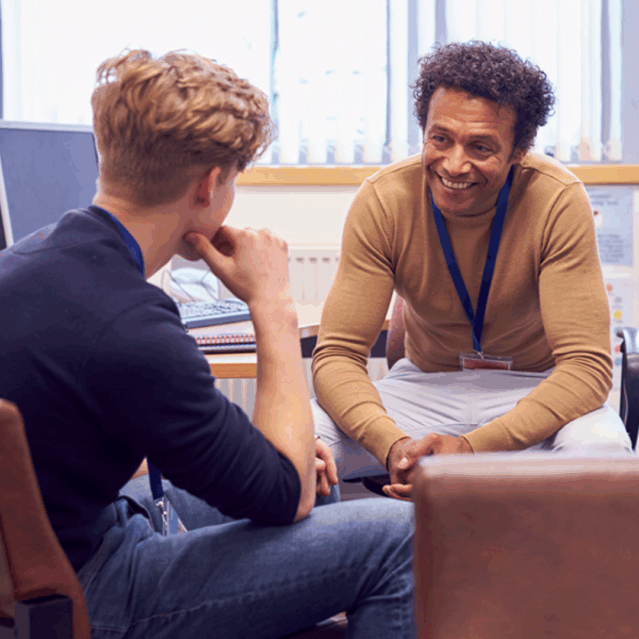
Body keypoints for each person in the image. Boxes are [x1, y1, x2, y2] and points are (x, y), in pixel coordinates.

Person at [0, 50, 415, 638]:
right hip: (88, 588)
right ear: (210, 184)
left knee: (319, 486)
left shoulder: (31, 257)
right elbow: (283, 495)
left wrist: (285, 469)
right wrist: (271, 300)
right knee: (401, 536)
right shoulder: (132, 327)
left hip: (62, 541)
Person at [311, 40, 633, 501]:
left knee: (604, 459)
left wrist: (471, 448)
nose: (454, 164)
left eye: (480, 146)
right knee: (299, 442)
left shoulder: (557, 200)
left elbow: (585, 369)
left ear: (519, 149)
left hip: (535, 390)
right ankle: (344, 567)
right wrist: (394, 446)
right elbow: (337, 356)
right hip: (424, 390)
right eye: (440, 138)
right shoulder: (384, 200)